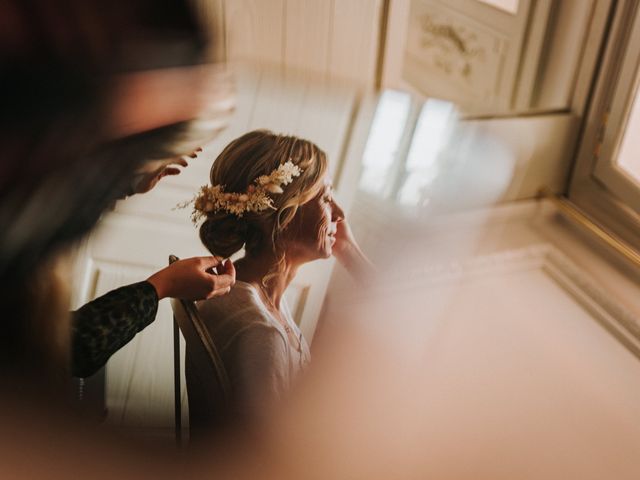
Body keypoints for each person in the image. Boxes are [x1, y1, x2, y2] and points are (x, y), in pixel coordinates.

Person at [184, 130, 373, 435]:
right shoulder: (262, 332)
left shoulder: (242, 288)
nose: (339, 214)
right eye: (325, 198)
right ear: (283, 214)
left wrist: (348, 249)